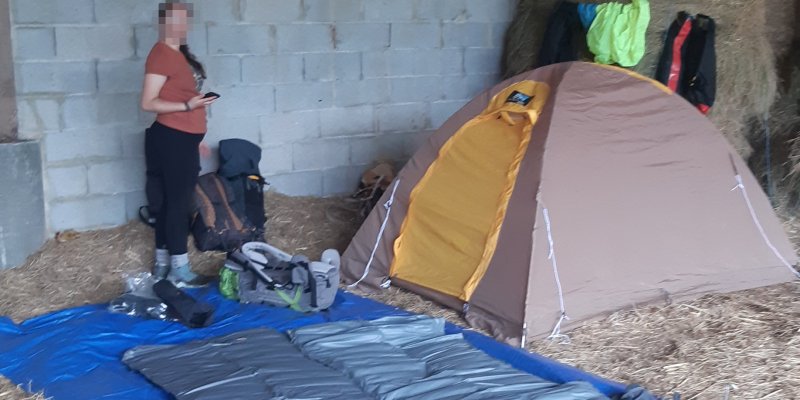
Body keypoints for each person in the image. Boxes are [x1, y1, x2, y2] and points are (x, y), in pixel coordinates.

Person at [141, 1, 216, 287]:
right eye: (174, 19)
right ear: (162, 22)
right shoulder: (161, 54)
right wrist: (188, 106)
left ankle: (162, 266)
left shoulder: (181, 55)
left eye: (184, 19)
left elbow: (184, 99)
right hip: (172, 137)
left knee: (167, 203)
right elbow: (148, 102)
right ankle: (180, 269)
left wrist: (196, 138)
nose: (180, 25)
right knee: (178, 205)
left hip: (180, 139)